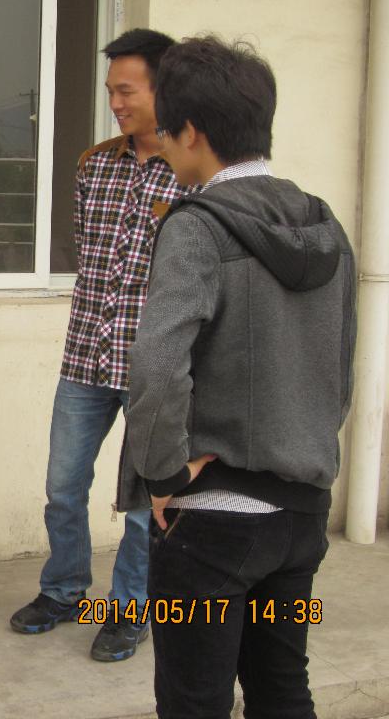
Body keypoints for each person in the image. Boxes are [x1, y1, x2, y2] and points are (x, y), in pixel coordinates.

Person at [123, 35, 356, 718]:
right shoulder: (325, 226)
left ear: (192, 132)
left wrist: (164, 478)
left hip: (214, 525)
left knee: (194, 703)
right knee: (283, 690)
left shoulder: (197, 227)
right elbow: (339, 367)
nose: (162, 146)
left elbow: (157, 368)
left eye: (166, 131)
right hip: (302, 515)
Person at [9, 29, 189, 662]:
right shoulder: (95, 164)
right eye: (111, 90)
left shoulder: (192, 173)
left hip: (155, 369)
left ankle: (130, 610)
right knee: (63, 485)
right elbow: (89, 257)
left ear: (164, 90)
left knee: (144, 504)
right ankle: (63, 591)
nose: (115, 102)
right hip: (86, 355)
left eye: (126, 90)